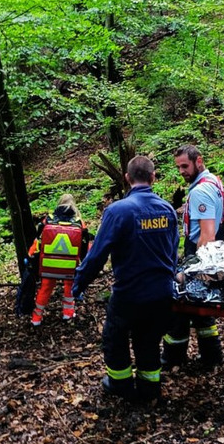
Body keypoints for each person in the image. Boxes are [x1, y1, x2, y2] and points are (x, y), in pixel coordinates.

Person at [72, 156, 179, 404]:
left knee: (115, 338)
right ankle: (149, 388)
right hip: (161, 293)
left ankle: (120, 384)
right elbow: (173, 252)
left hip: (129, 293)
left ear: (127, 178)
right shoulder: (167, 210)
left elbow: (97, 254)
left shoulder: (118, 211)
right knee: (149, 341)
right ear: (153, 177)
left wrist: (78, 285)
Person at [161, 144, 224, 371]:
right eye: (178, 167)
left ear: (199, 161)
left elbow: (207, 235)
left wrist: (194, 268)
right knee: (200, 309)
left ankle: (173, 357)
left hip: (201, 254)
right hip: (213, 252)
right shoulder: (215, 183)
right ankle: (212, 356)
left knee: (179, 305)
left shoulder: (200, 191)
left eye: (185, 166)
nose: (181, 171)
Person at [24, 194, 92, 327]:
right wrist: (84, 262)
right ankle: (68, 313)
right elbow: (84, 247)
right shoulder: (79, 223)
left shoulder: (47, 220)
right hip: (70, 265)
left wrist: (30, 256)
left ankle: (36, 318)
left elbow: (38, 242)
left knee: (45, 288)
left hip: (48, 264)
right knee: (69, 287)